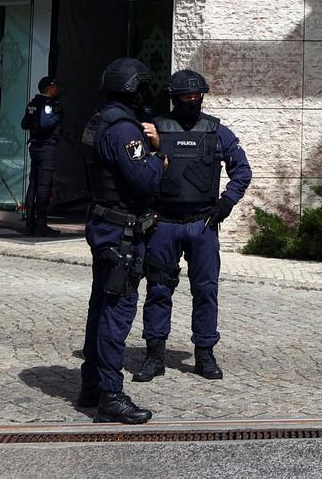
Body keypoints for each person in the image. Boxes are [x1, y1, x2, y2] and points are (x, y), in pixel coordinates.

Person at [133, 69, 252, 383]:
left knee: (205, 291)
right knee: (158, 289)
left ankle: (205, 353)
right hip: (164, 223)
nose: (192, 102)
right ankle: (154, 354)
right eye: (186, 97)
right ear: (174, 99)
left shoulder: (216, 130)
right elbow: (137, 172)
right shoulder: (155, 128)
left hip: (202, 223)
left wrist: (228, 201)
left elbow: (242, 169)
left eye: (197, 97)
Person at [75, 57, 165, 425]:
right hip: (122, 233)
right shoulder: (125, 130)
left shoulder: (99, 120)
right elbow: (143, 180)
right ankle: (111, 394)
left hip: (104, 225)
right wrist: (160, 159)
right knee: (117, 311)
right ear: (134, 88)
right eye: (143, 86)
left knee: (101, 307)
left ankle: (92, 385)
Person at [20, 76, 63, 236]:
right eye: (56, 87)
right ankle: (41, 224)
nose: (58, 90)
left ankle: (29, 221)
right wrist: (57, 116)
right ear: (50, 89)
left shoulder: (33, 103)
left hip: (35, 147)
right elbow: (45, 123)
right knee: (43, 186)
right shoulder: (48, 105)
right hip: (46, 148)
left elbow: (24, 123)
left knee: (33, 184)